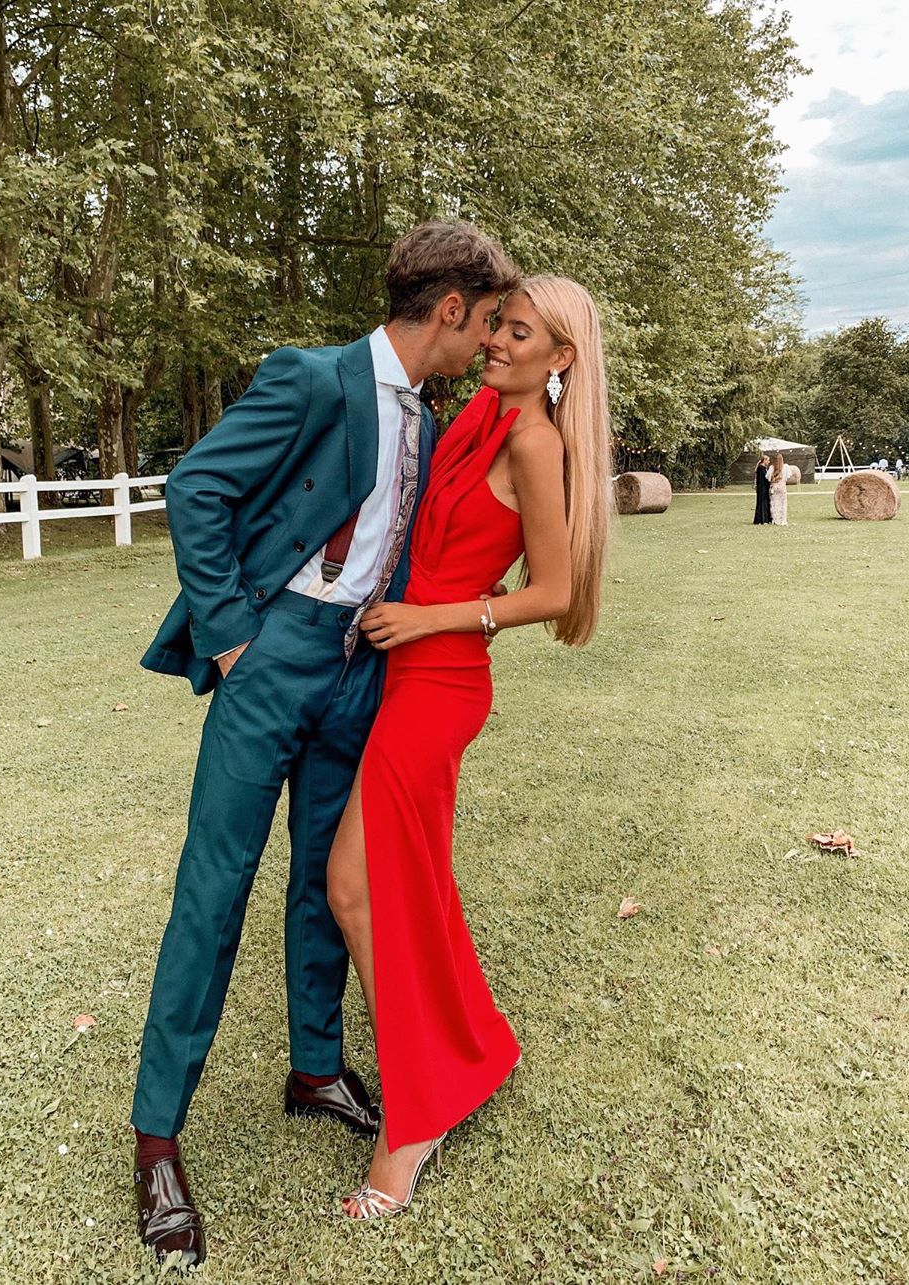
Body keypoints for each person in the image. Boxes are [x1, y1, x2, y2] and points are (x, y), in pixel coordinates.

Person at [129, 221, 521, 1266]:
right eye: (485, 323)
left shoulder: (432, 420)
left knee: (322, 877)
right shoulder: (310, 379)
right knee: (214, 888)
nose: (486, 342)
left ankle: (316, 1067)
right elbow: (196, 487)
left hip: (361, 670)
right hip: (272, 658)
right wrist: (231, 638)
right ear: (448, 311)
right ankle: (158, 1137)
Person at [326, 276, 611, 1218]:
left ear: (560, 358)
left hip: (442, 681)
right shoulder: (478, 410)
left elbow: (556, 593)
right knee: (390, 886)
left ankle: (418, 1113)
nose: (494, 339)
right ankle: (465, 1051)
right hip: (404, 666)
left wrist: (431, 618)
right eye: (496, 323)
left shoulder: (532, 442)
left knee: (362, 886)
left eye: (517, 331)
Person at [767, 451, 788, 525]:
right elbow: (786, 477)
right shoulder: (785, 467)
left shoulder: (772, 468)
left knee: (774, 503)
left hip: (774, 486)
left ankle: (775, 519)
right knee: (783, 503)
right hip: (782, 486)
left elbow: (768, 478)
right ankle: (783, 520)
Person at [753, 453, 772, 524]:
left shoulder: (764, 468)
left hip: (764, 488)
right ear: (764, 460)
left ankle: (766, 518)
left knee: (765, 503)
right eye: (768, 460)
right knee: (762, 503)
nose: (769, 462)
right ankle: (761, 519)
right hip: (762, 489)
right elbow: (763, 479)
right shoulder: (761, 468)